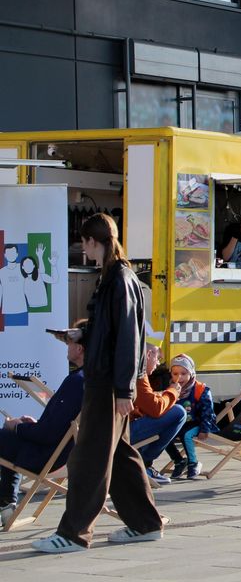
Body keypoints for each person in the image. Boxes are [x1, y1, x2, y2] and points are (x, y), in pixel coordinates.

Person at [33, 213, 164, 553]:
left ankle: (74, 533)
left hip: (107, 384)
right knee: (119, 456)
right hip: (110, 381)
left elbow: (128, 339)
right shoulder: (118, 276)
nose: (84, 250)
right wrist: (83, 333)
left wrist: (124, 389)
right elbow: (112, 331)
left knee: (89, 458)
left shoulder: (119, 279)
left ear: (94, 242)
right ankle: (145, 523)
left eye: (85, 244)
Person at [1, 329, 84, 529]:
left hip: (45, 456)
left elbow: (49, 434)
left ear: (80, 349)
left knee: (7, 433)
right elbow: (54, 428)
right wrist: (30, 425)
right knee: (7, 437)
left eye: (70, 343)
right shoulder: (89, 380)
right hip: (59, 453)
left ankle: (6, 501)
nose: (67, 346)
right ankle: (6, 502)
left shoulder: (76, 381)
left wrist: (19, 427)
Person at [129, 344, 186, 487]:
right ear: (148, 354)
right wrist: (172, 392)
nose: (158, 363)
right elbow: (155, 408)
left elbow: (147, 403)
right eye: (157, 358)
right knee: (178, 413)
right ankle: (144, 463)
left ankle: (143, 462)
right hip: (121, 433)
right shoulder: (138, 375)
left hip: (111, 430)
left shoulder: (129, 370)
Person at [163, 354, 218, 479]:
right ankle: (179, 460)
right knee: (163, 434)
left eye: (183, 373)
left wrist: (205, 429)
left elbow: (207, 411)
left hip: (199, 422)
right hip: (181, 423)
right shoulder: (172, 389)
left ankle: (193, 463)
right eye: (175, 374)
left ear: (191, 373)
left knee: (186, 435)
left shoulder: (200, 389)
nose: (179, 377)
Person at [21, 243, 59, 309]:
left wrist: (54, 266)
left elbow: (54, 280)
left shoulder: (40, 275)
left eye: (30, 264)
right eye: (26, 264)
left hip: (44, 308)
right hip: (30, 308)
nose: (28, 266)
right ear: (22, 267)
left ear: (34, 266)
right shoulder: (23, 280)